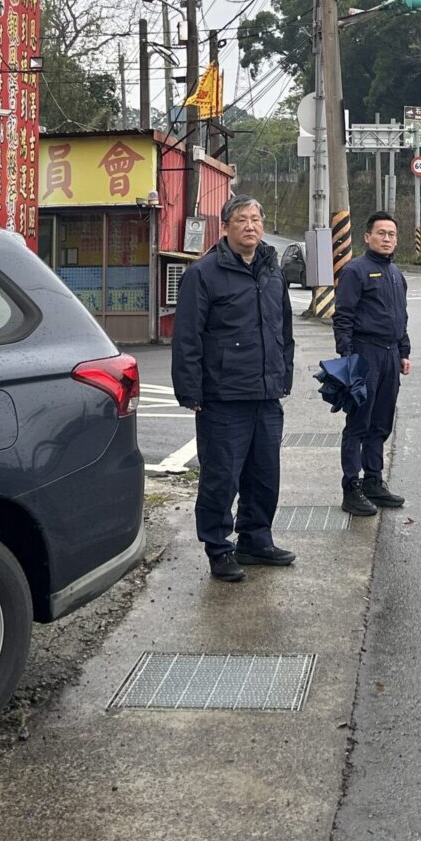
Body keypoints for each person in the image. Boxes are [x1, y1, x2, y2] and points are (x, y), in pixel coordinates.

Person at [170, 196, 296, 582]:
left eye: (256, 219)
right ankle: (218, 548)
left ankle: (255, 540)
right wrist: (190, 392)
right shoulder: (205, 273)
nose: (251, 226)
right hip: (223, 398)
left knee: (264, 475)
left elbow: (284, 330)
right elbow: (187, 336)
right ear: (224, 227)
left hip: (265, 394)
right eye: (242, 220)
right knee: (220, 477)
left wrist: (283, 376)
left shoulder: (272, 272)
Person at [334, 211, 411, 516]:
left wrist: (404, 351)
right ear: (367, 237)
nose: (387, 238)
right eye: (381, 233)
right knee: (358, 423)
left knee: (381, 421)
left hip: (391, 355)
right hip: (365, 354)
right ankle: (351, 487)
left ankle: (373, 481)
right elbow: (343, 318)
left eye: (391, 234)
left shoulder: (396, 275)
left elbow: (401, 318)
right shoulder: (356, 270)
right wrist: (348, 357)